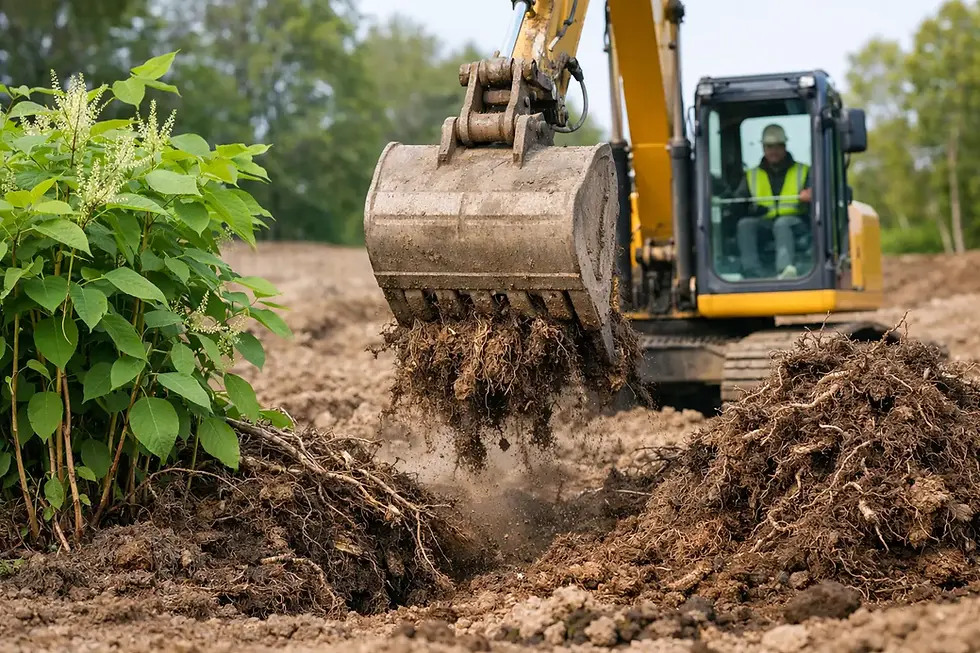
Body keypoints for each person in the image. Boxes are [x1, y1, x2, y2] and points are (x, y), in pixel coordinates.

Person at [733, 123, 811, 279]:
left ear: (784, 147)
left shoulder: (803, 171)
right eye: (769, 147)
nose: (773, 151)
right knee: (745, 225)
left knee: (782, 224)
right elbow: (738, 201)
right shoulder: (752, 175)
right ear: (763, 148)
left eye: (777, 146)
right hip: (765, 221)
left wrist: (810, 194)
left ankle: (785, 270)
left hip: (796, 222)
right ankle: (752, 271)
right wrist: (749, 208)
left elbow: (815, 192)